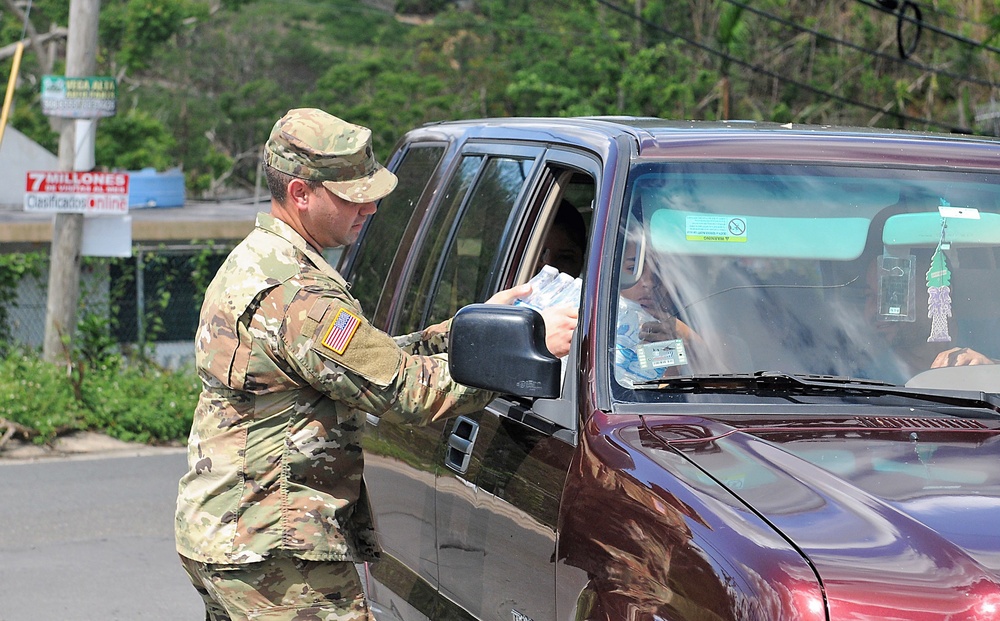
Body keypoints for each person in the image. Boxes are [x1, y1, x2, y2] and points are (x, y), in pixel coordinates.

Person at [174, 108, 576, 621]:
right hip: (276, 549)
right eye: (353, 196)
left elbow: (365, 359)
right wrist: (525, 343)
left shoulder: (261, 261)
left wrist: (463, 330)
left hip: (230, 533)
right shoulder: (301, 295)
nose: (370, 209)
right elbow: (407, 391)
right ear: (301, 193)